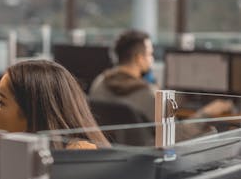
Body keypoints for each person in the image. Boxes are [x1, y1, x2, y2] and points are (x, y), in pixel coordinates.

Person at [89, 29, 234, 123]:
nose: (151, 59)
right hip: (152, 160)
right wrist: (207, 112)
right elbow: (177, 135)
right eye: (150, 54)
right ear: (139, 58)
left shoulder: (99, 83)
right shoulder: (146, 93)